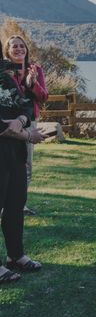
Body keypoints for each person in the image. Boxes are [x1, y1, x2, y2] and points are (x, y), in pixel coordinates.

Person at [0, 47, 46, 285]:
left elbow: (25, 105)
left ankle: (15, 256)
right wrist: (25, 135)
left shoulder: (5, 78)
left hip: (14, 154)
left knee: (15, 205)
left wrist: (20, 120)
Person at [4, 35, 48, 215]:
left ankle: (20, 204)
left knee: (26, 163)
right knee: (6, 162)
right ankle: (4, 203)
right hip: (7, 122)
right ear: (8, 50)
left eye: (22, 46)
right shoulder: (4, 70)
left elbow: (44, 97)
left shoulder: (35, 69)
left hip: (28, 121)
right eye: (14, 46)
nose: (19, 49)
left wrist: (33, 82)